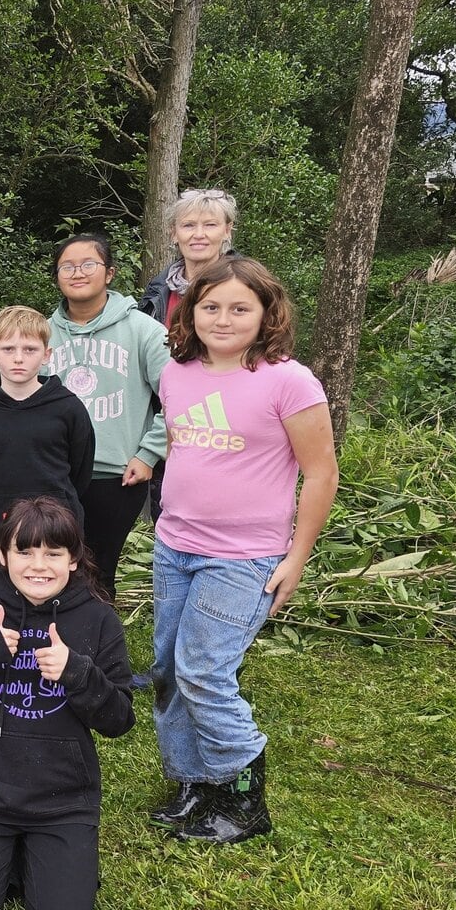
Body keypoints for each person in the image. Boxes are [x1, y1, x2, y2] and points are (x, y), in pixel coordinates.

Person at [150, 257, 336, 844]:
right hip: (174, 545)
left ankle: (242, 794)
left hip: (244, 558)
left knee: (205, 670)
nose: (223, 319)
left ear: (266, 314)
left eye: (239, 308)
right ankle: (192, 783)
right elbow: (185, 451)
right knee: (168, 671)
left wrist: (296, 557)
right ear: (190, 311)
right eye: (211, 306)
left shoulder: (288, 380)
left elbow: (321, 473)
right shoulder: (177, 374)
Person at [0, 498, 136, 910]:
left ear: (74, 560)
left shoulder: (98, 618)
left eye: (53, 554)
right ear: (2, 555)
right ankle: (10, 852)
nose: (37, 565)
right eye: (24, 552)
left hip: (62, 800)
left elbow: (120, 719)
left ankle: (42, 856)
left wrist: (77, 672)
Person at [47, 234, 170, 595]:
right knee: (52, 565)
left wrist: (148, 453)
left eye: (89, 264)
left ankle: (98, 647)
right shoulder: (42, 333)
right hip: (55, 471)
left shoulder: (145, 331)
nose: (77, 273)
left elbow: (179, 399)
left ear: (110, 272)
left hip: (117, 473)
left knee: (98, 572)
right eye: (67, 266)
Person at [0, 307, 95, 570]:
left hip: (57, 530)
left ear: (46, 355)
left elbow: (80, 471)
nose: (18, 358)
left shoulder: (68, 408)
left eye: (30, 349)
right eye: (8, 349)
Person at [143, 188, 238, 327]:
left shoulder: (247, 285)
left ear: (227, 231)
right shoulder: (157, 291)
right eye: (188, 225)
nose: (199, 234)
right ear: (174, 233)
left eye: (210, 225)